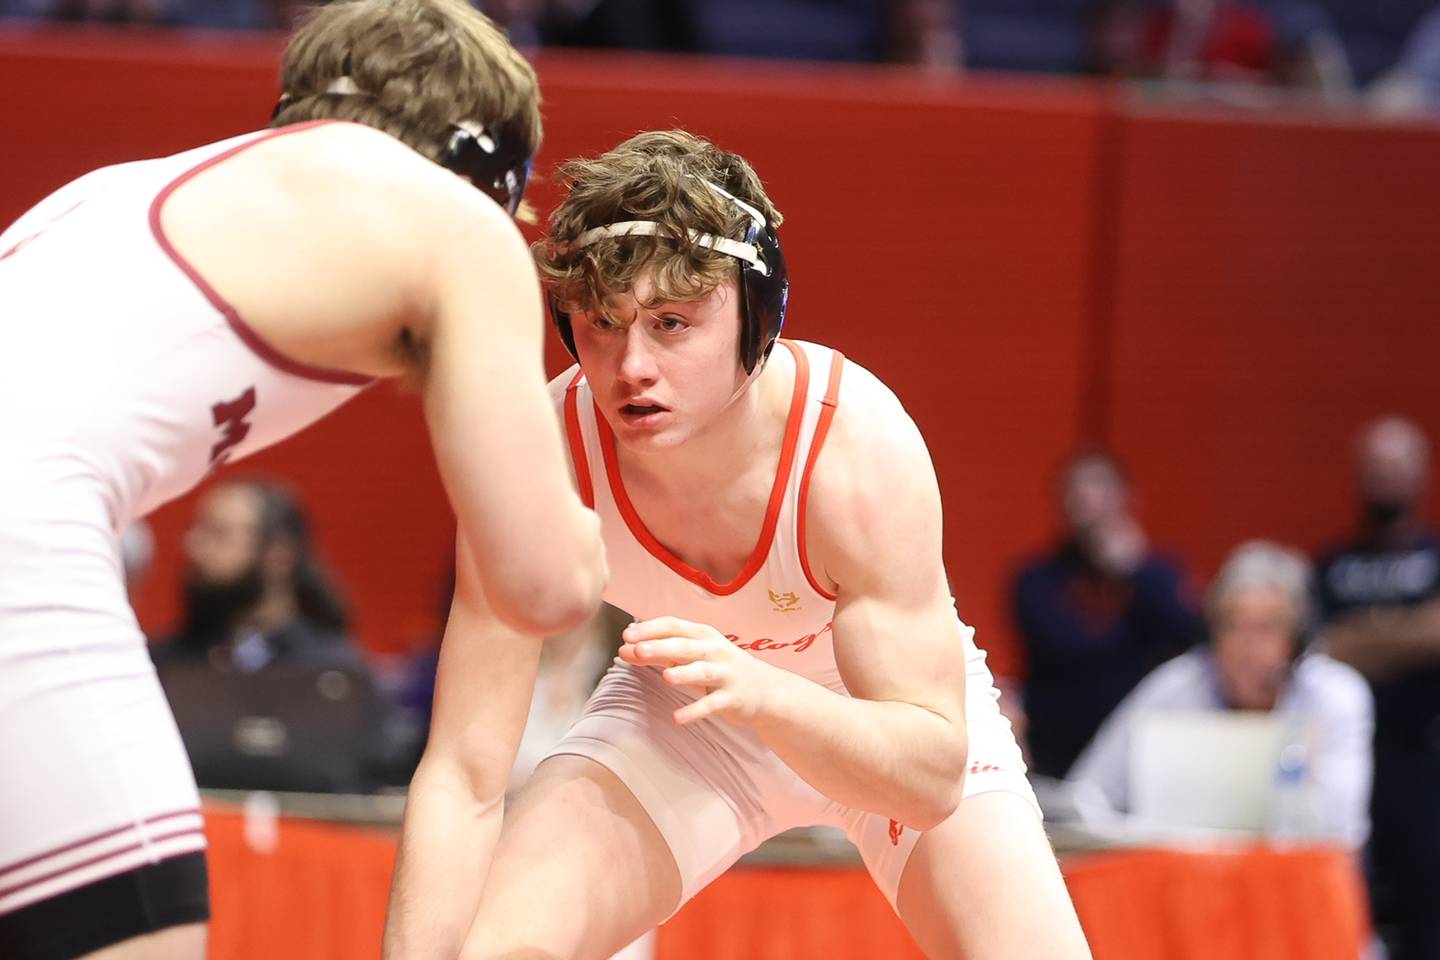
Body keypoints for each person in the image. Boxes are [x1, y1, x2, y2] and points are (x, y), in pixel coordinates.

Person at [392, 129, 1091, 960]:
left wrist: (763, 691)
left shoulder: (852, 450)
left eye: (672, 323)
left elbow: (932, 774)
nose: (631, 367)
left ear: (757, 320)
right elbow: (464, 769)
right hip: (687, 711)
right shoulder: (543, 455)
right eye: (604, 326)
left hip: (872, 712)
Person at [0, 1, 607, 957]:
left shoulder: (135, 189)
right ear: (494, 172)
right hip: (21, 543)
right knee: (144, 933)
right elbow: (548, 585)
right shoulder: (452, 221)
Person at [1068, 540, 1373, 847]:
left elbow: (1340, 833)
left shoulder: (1335, 696)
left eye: (1266, 628)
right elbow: (1088, 796)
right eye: (1232, 625)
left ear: (1298, 640)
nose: (1246, 646)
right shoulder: (1172, 689)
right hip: (1183, 880)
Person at [1318, 416, 1440, 960]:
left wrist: (1363, 635)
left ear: (1421, 474)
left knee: (1424, 910)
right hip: (1343, 759)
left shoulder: (1433, 555)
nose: (1383, 479)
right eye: (1373, 468)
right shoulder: (1332, 564)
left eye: (1394, 467)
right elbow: (1322, 648)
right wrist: (1407, 633)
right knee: (1349, 904)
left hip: (1424, 766)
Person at [1009, 449, 1201, 779]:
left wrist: (1133, 571)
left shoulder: (1156, 574)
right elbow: (1064, 651)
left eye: (1099, 489)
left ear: (1127, 498)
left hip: (1142, 745)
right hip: (1059, 746)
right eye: (1075, 492)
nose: (1087, 503)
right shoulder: (1035, 579)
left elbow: (1189, 639)